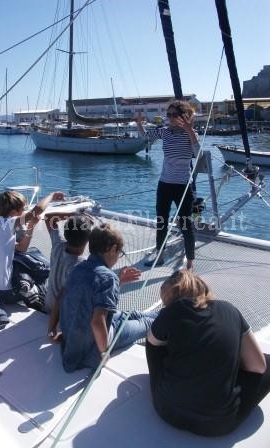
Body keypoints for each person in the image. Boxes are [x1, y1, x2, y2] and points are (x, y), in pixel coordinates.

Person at [146, 270, 270, 437]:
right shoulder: (229, 309)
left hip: (166, 410)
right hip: (217, 426)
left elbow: (152, 343)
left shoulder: (171, 311)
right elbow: (258, 366)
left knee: (154, 344)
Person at [60, 223, 158, 372]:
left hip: (74, 340)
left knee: (130, 314)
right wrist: (104, 353)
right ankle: (170, 317)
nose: (119, 257)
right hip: (92, 347)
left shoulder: (76, 268)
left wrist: (119, 281)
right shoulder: (108, 278)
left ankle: (163, 313)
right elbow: (97, 322)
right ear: (112, 249)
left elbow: (89, 295)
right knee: (146, 323)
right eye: (120, 253)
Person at [143, 101, 201, 270]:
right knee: (161, 222)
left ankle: (190, 262)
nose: (170, 118)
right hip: (164, 184)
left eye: (174, 115)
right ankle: (159, 256)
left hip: (183, 185)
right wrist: (140, 125)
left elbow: (198, 154)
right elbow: (146, 137)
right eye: (168, 115)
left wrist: (189, 130)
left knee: (185, 224)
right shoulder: (164, 132)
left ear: (184, 116)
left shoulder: (191, 133)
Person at [0, 190, 64, 304]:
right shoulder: (8, 223)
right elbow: (36, 211)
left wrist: (31, 226)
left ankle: (28, 288)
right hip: (6, 292)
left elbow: (22, 248)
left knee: (25, 257)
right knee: (45, 276)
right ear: (14, 212)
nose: (25, 212)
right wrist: (52, 196)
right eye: (23, 209)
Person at [45, 214, 93, 339]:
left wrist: (72, 216)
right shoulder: (81, 265)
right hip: (61, 314)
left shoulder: (58, 245)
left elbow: (48, 218)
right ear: (88, 240)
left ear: (66, 234)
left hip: (48, 304)